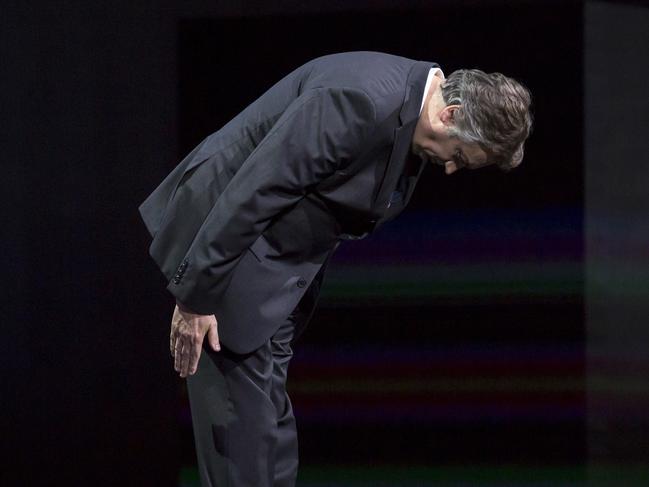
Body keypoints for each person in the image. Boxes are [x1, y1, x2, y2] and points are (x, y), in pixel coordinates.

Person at [139, 51, 532, 487]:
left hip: (276, 275)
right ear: (450, 113)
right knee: (239, 439)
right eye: (459, 154)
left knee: (272, 436)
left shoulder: (414, 108)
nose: (452, 168)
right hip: (227, 252)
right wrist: (195, 297)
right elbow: (254, 191)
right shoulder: (360, 100)